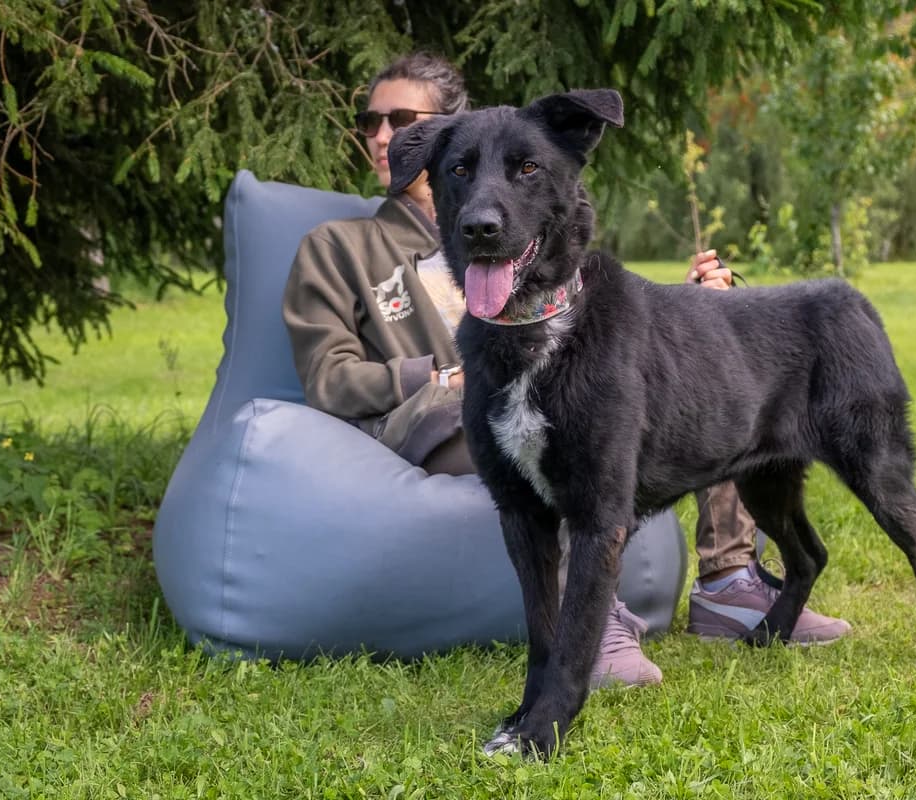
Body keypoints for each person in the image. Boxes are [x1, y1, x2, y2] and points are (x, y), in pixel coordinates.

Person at [282, 53, 848, 689]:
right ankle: (594, 620)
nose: (385, 136)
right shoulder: (340, 246)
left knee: (689, 386)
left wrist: (690, 302)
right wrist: (439, 377)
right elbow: (329, 377)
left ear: (451, 129)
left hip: (541, 379)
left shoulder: (525, 209)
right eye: (371, 122)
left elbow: (593, 321)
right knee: (554, 431)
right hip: (441, 412)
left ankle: (727, 578)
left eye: (402, 119)